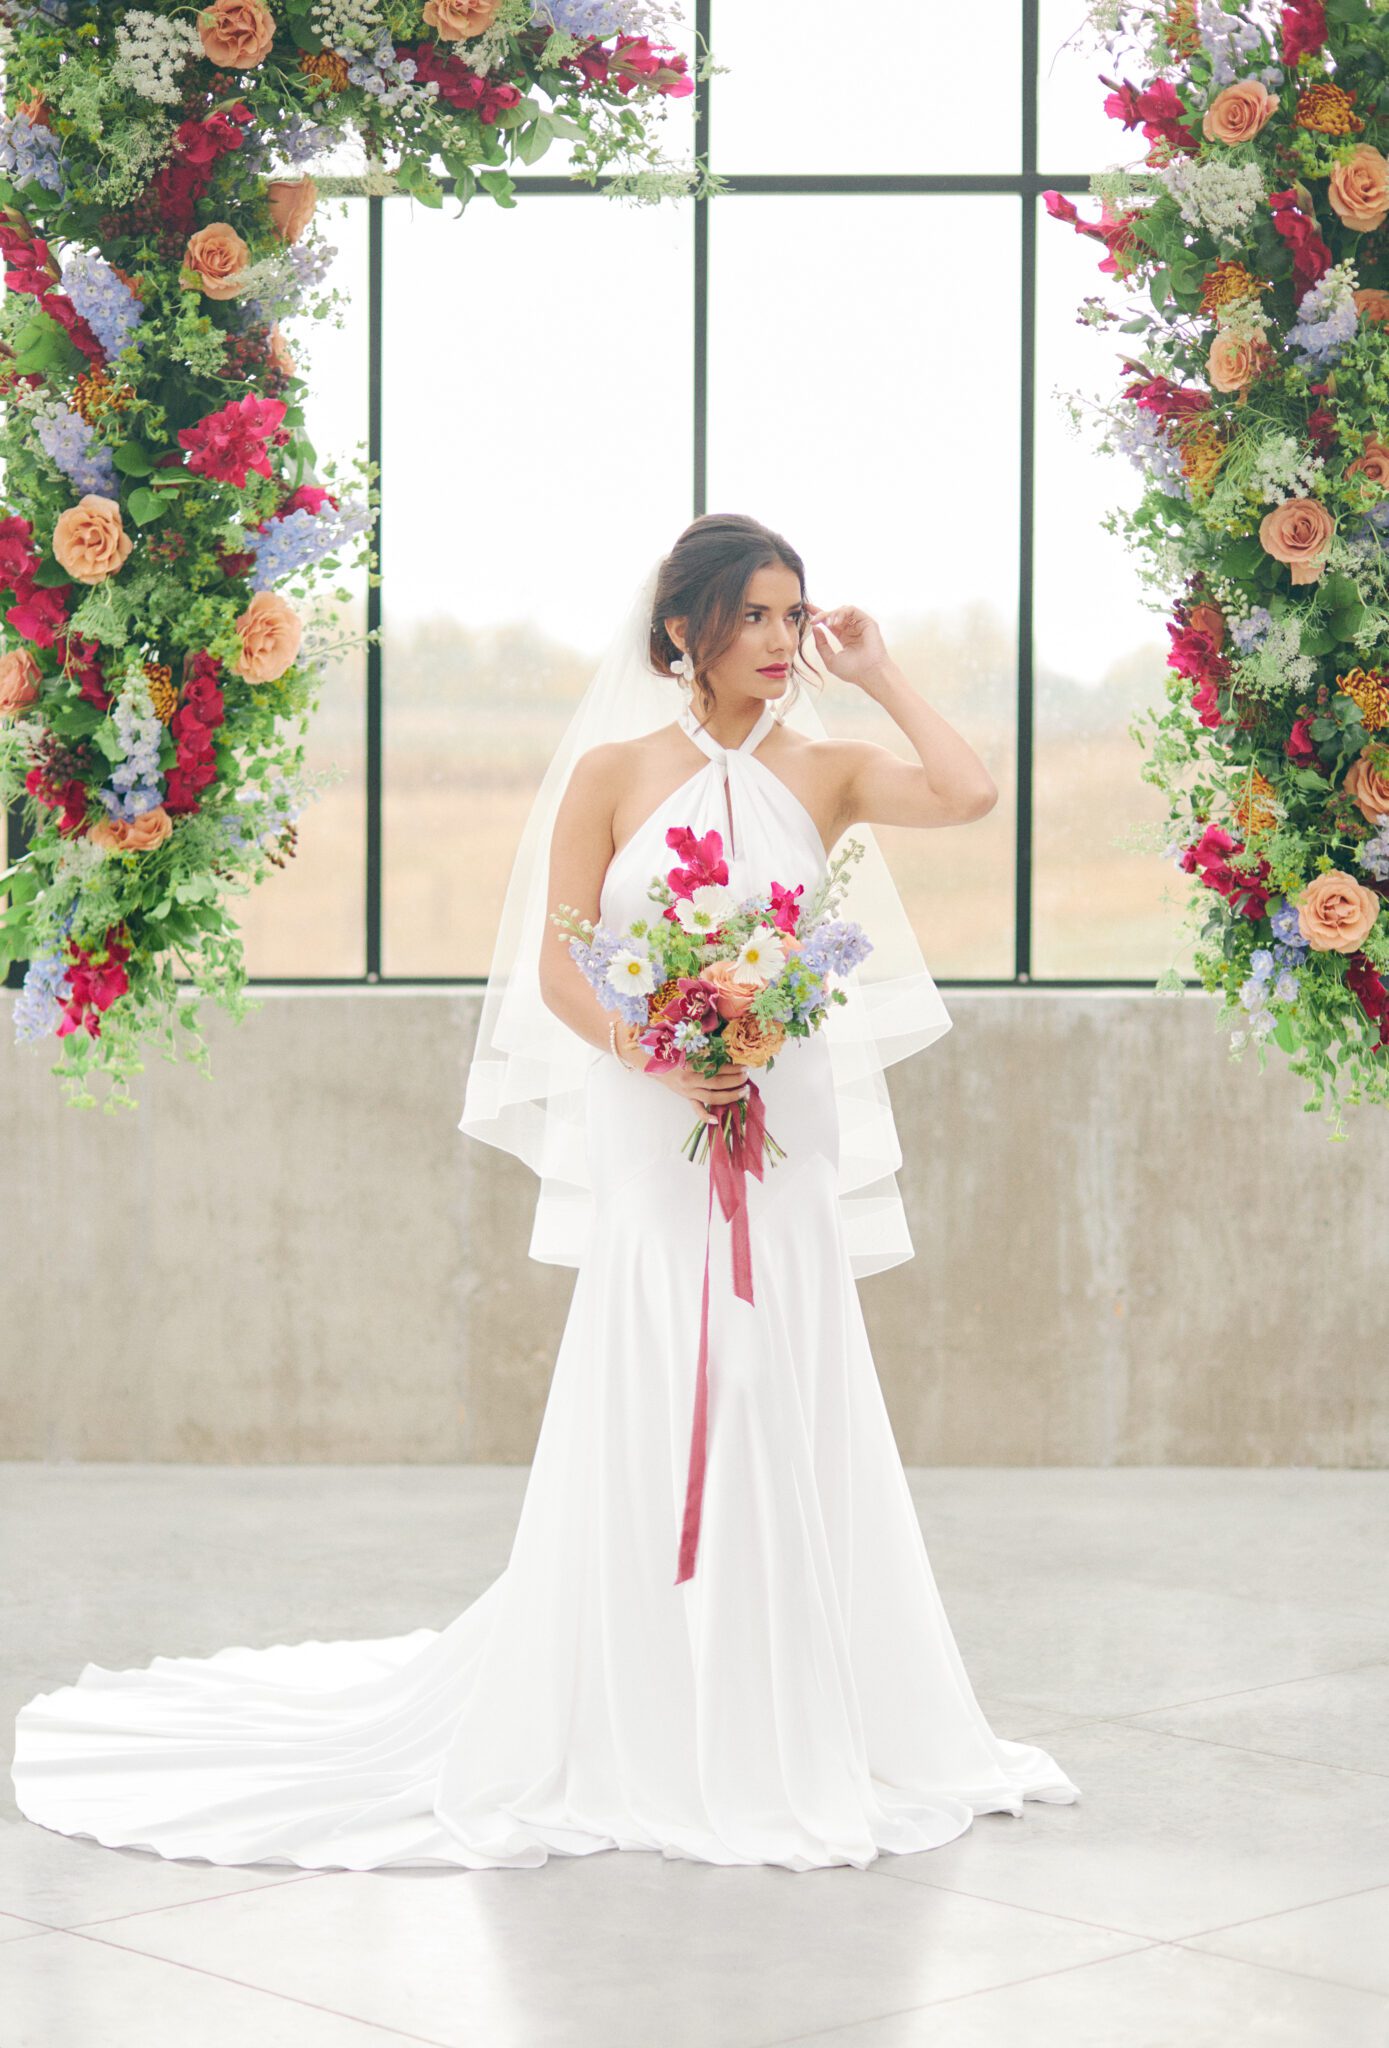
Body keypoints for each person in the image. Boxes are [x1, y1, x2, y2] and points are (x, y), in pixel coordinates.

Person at [10, 513, 1079, 1871]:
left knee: (777, 1372)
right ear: (681, 629)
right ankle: (630, 1698)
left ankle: (786, 1701)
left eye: (790, 615)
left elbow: (972, 794)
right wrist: (656, 1049)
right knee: (665, 1367)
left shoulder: (828, 771)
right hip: (654, 1112)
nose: (775, 642)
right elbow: (560, 967)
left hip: (783, 1115)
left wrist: (879, 673)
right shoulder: (613, 772)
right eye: (751, 616)